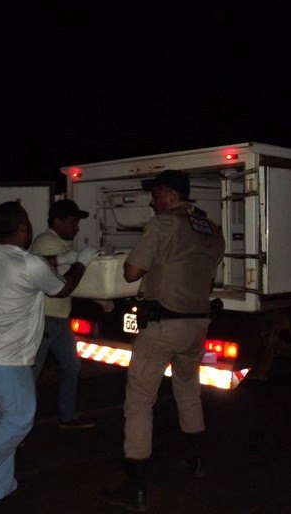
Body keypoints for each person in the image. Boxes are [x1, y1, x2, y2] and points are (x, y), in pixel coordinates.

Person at [0, 201, 97, 510]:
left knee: (0, 423)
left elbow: (37, 263)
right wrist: (82, 262)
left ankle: (1, 488)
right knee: (19, 422)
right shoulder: (28, 265)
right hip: (4, 362)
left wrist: (64, 257)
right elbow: (62, 289)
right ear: (23, 228)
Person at [101, 170, 225, 512]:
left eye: (155, 196)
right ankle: (196, 459)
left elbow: (130, 272)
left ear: (170, 195)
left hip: (163, 324)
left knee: (140, 398)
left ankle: (136, 487)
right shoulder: (211, 229)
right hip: (197, 324)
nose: (152, 202)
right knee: (188, 388)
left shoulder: (163, 225)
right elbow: (209, 274)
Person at [30, 199, 96, 430]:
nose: (77, 227)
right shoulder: (47, 243)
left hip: (58, 319)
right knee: (32, 373)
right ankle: (19, 425)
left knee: (71, 366)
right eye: (73, 222)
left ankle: (67, 417)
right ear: (57, 221)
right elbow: (62, 284)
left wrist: (99, 297)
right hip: (44, 318)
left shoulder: (59, 243)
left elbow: (71, 280)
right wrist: (82, 262)